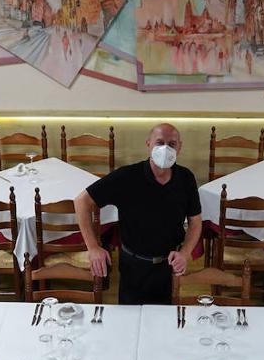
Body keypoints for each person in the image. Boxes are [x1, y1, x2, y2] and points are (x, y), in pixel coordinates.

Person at [74, 123, 202, 305]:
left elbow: (195, 221)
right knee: (128, 322)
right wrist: (93, 247)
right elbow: (81, 201)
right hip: (133, 266)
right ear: (148, 144)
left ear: (179, 147)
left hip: (168, 266)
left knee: (162, 323)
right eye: (159, 143)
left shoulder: (186, 178)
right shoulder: (127, 177)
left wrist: (185, 252)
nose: (165, 149)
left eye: (172, 144)